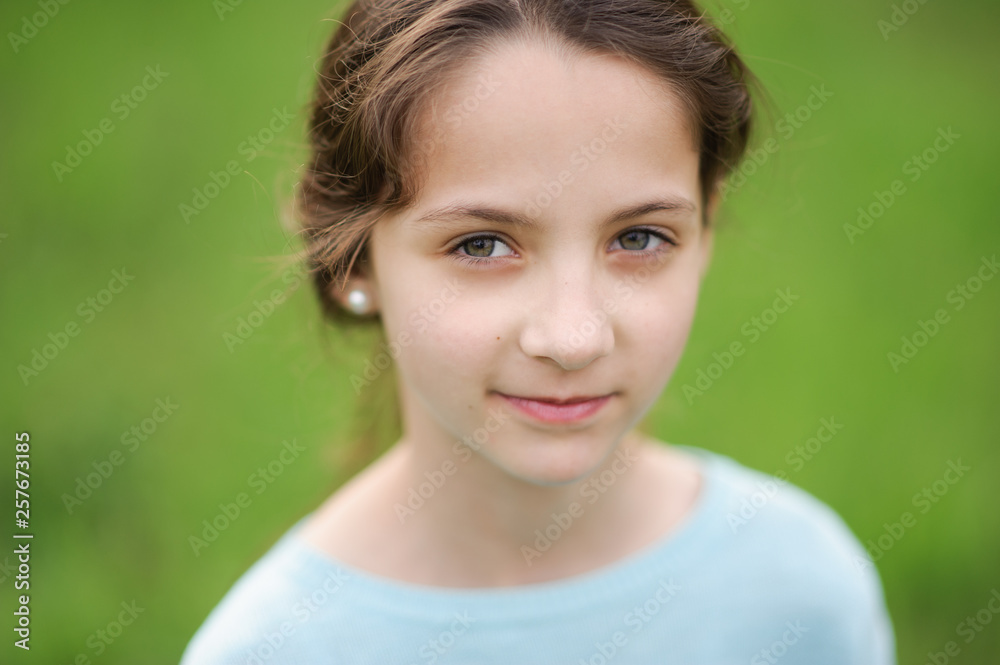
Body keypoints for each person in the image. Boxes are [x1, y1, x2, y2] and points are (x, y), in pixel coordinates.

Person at [181, 0, 896, 662]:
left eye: (640, 237)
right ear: (350, 257)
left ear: (705, 227)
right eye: (482, 245)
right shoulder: (275, 647)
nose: (573, 336)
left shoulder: (800, 596)